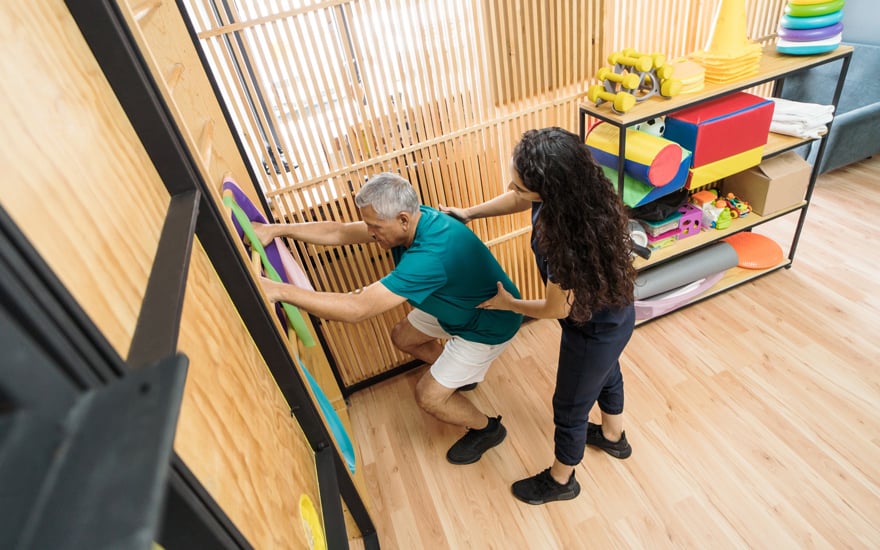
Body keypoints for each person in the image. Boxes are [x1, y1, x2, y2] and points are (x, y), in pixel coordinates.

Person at [255, 172, 523, 465]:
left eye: (374, 226)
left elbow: (358, 308)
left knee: (428, 397)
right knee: (403, 336)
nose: (370, 232)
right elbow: (341, 232)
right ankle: (459, 378)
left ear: (403, 220)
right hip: (457, 306)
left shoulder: (430, 254)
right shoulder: (413, 221)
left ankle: (487, 429)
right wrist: (276, 229)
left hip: (487, 324)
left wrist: (279, 291)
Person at [440, 127, 637, 505]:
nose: (511, 189)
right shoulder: (579, 195)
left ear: (548, 189)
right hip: (614, 316)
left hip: (593, 330)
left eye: (518, 186)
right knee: (606, 372)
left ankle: (562, 481)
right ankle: (614, 438)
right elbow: (520, 200)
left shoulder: (565, 239)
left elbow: (554, 309)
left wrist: (508, 303)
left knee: (569, 407)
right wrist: (470, 212)